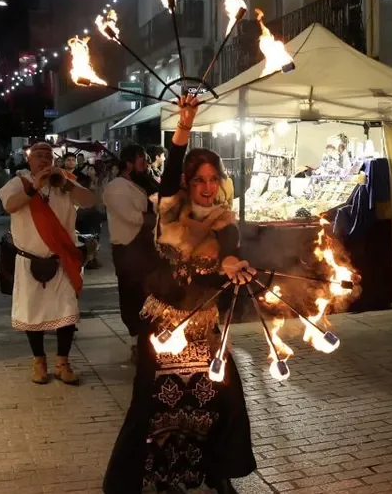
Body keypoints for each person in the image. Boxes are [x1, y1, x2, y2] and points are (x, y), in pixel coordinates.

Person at [103, 97, 258, 494]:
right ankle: (161, 475)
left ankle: (216, 471)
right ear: (188, 185)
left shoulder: (226, 224)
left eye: (213, 180)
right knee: (157, 406)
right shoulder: (170, 213)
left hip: (204, 331)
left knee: (219, 401)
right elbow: (170, 171)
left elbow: (230, 259)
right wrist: (184, 127)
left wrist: (234, 268)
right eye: (199, 180)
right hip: (164, 325)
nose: (207, 188)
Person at [0, 141, 97, 386]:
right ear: (29, 160)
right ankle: (39, 362)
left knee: (67, 313)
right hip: (29, 261)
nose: (43, 160)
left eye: (48, 156)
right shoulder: (18, 183)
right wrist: (34, 187)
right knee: (33, 314)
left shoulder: (63, 181)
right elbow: (10, 206)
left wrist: (64, 183)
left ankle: (63, 363)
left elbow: (89, 201)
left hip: (60, 259)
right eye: (38, 155)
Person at [102, 145, 158, 362]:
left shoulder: (141, 183)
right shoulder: (117, 187)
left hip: (147, 248)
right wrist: (162, 218)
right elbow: (133, 217)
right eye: (142, 161)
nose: (146, 165)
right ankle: (137, 341)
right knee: (132, 296)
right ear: (128, 163)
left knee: (150, 295)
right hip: (128, 250)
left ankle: (150, 339)